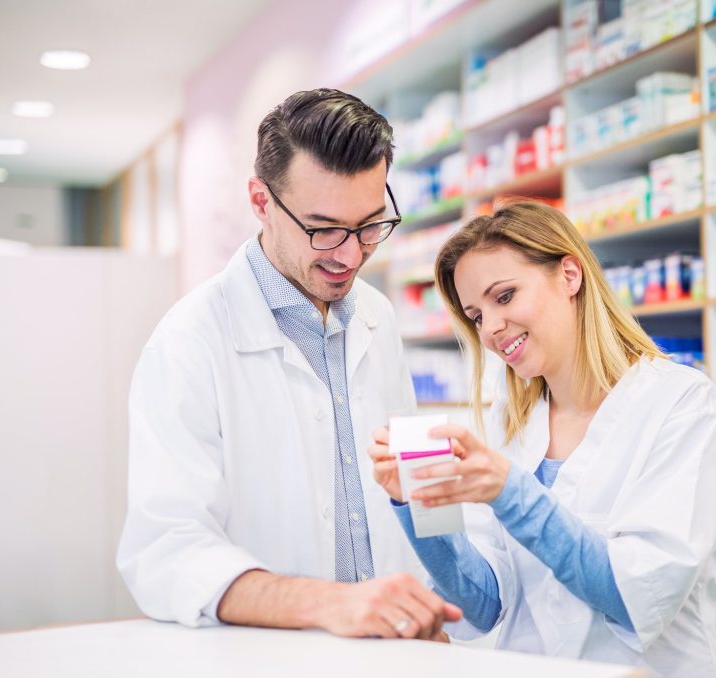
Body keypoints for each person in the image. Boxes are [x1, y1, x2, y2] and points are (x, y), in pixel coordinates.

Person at [117, 88, 461, 640]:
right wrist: (330, 604)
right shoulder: (189, 341)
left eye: (370, 225)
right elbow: (165, 552)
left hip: (398, 650)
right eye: (323, 229)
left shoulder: (378, 315)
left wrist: (445, 599)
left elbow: (419, 485)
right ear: (261, 201)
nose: (350, 255)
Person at [369, 201, 716, 675]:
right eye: (476, 316)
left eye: (504, 296)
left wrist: (509, 491)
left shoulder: (681, 405)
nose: (491, 329)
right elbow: (481, 604)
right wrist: (420, 504)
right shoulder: (514, 420)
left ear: (570, 275)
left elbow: (638, 596)